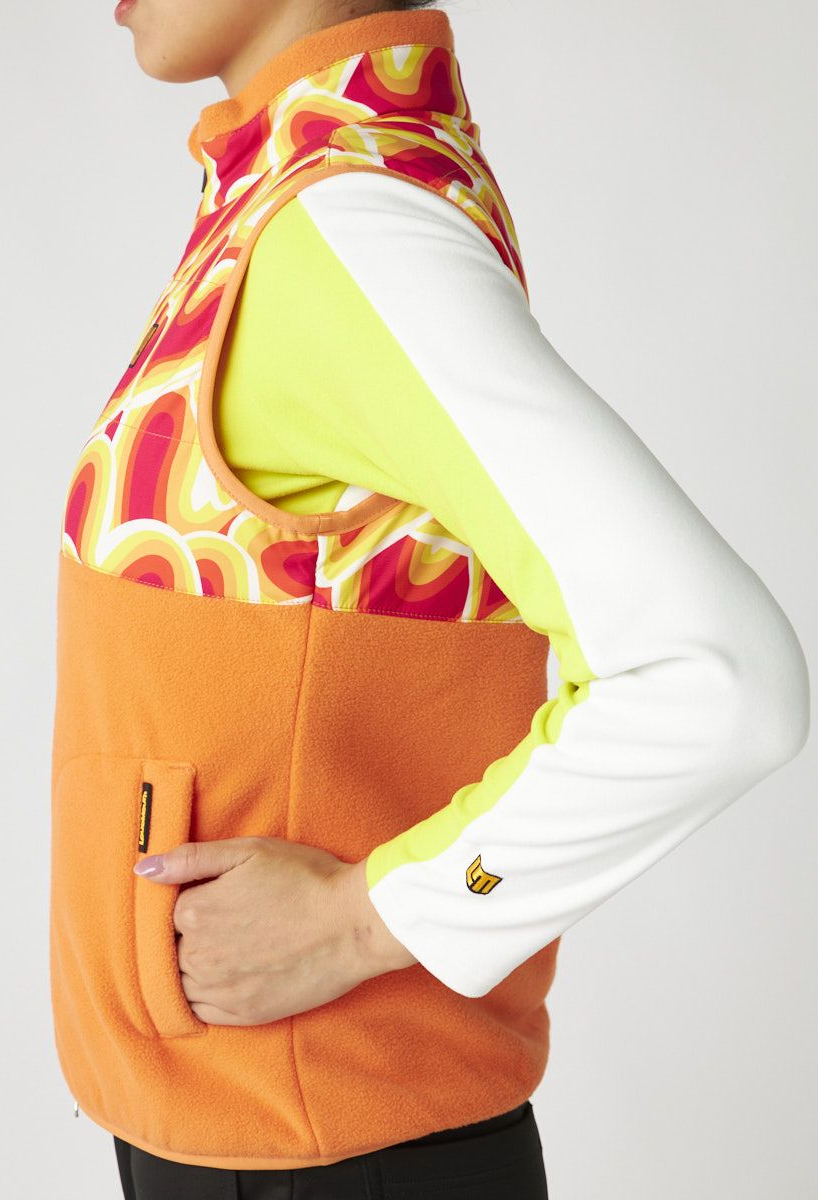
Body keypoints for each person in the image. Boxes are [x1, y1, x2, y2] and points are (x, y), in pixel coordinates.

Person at [50, 3, 811, 1198]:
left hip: (330, 1158)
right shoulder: (283, 204)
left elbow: (719, 677)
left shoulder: (348, 227)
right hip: (254, 1142)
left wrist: (364, 921)